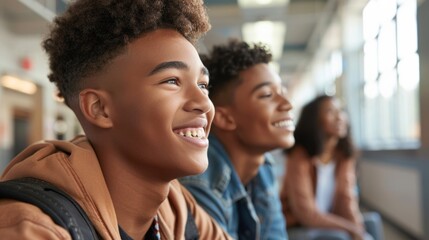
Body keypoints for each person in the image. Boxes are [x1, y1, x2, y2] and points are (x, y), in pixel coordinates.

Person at [0, 0, 232, 239]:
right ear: (99, 108)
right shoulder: (28, 227)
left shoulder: (175, 206)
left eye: (203, 85)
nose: (204, 104)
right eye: (171, 81)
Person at [180, 40, 295, 240]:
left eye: (282, 92)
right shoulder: (199, 183)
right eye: (267, 95)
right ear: (225, 118)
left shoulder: (263, 165)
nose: (287, 104)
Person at [280, 95, 383, 240]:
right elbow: (306, 214)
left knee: (371, 222)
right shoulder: (299, 156)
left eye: (341, 111)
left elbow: (347, 199)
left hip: (328, 219)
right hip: (299, 226)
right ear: (314, 120)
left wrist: (358, 229)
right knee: (340, 236)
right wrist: (351, 229)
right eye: (330, 112)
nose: (339, 117)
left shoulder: (344, 156)